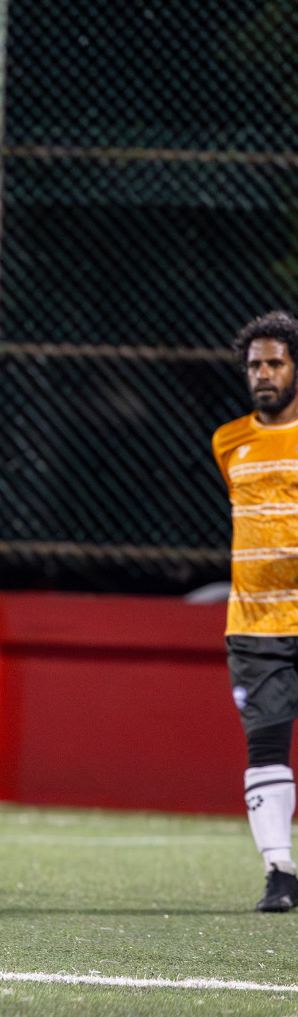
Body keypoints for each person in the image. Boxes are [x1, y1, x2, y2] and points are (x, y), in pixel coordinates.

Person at [213, 310, 298, 912]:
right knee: (266, 746)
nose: (263, 373)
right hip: (255, 625)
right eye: (254, 365)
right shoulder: (229, 441)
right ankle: (281, 874)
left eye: (274, 362)